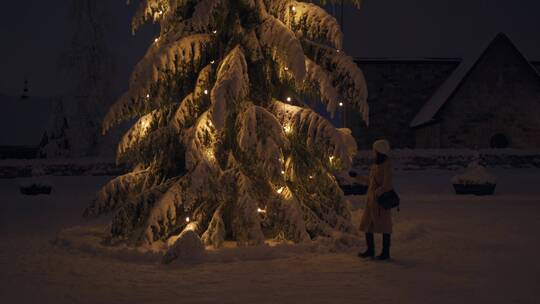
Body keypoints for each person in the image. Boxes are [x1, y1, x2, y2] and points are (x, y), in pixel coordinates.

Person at [354, 139, 394, 260]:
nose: (373, 152)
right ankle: (370, 250)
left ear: (380, 151)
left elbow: (387, 184)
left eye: (375, 150)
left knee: (385, 227)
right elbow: (371, 181)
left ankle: (385, 253)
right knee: (368, 225)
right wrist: (357, 177)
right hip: (372, 201)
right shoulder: (376, 165)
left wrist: (377, 193)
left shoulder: (387, 165)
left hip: (380, 201)